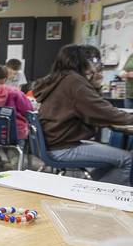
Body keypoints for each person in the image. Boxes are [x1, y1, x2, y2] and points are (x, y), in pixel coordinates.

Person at [34, 44, 133, 186]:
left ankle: (94, 187)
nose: (94, 65)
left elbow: (95, 108)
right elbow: (103, 111)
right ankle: (97, 197)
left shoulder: (59, 78)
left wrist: (95, 85)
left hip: (54, 142)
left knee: (116, 159)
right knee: (128, 160)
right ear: (82, 61)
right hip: (63, 147)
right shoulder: (74, 81)